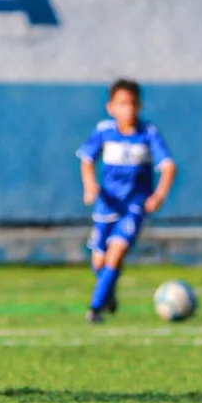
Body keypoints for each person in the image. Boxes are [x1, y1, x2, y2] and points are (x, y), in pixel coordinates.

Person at [77, 78, 176, 323]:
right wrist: (90, 186)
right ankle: (108, 294)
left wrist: (159, 195)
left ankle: (95, 308)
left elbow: (169, 166)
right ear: (111, 107)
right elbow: (87, 160)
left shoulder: (148, 134)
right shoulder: (104, 131)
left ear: (139, 106)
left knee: (117, 251)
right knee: (99, 261)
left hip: (134, 206)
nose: (128, 109)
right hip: (107, 205)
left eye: (132, 104)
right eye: (122, 104)